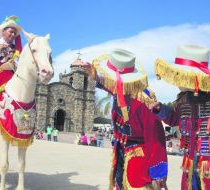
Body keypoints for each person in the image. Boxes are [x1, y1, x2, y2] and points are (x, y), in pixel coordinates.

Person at [78, 49, 168, 189]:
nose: (111, 82)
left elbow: (156, 138)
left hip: (138, 157)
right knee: (119, 183)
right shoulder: (119, 89)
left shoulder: (144, 101)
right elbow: (111, 88)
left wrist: (158, 174)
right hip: (121, 150)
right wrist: (95, 76)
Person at [151, 44, 210, 189]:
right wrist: (160, 109)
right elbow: (173, 119)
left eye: (181, 76)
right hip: (189, 164)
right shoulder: (183, 101)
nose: (177, 81)